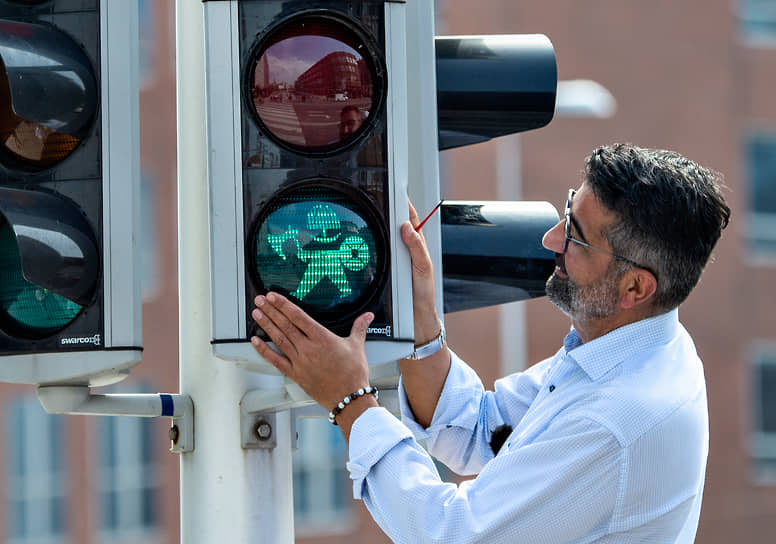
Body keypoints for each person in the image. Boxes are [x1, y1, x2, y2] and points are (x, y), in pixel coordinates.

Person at [249, 143, 731, 543]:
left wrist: (350, 401)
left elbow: (449, 534)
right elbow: (480, 428)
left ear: (636, 288)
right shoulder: (635, 349)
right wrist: (422, 324)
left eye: (577, 238)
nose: (550, 239)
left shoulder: (616, 420)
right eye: (568, 211)